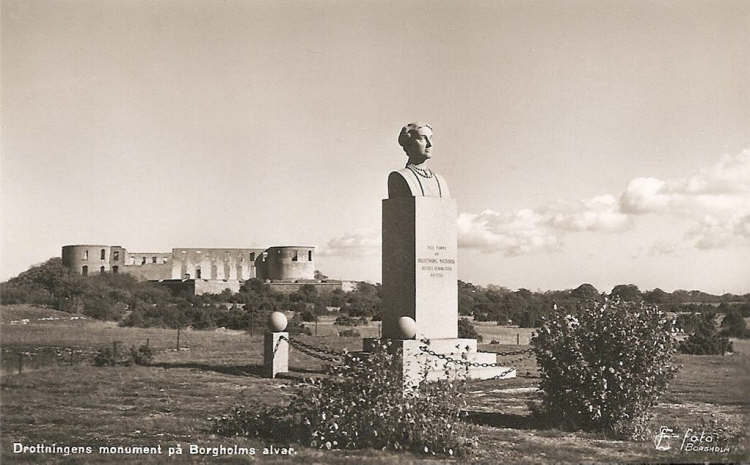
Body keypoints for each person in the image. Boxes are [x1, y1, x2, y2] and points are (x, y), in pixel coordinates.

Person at [388, 122, 451, 198]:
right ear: (409, 144)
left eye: (431, 138)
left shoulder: (441, 182)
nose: (429, 144)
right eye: (422, 138)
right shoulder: (399, 178)